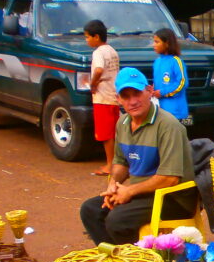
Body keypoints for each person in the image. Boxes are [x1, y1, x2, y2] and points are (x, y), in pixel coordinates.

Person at [80, 67, 197, 245]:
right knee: (90, 210)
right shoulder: (123, 122)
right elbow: (121, 162)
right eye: (126, 96)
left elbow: (170, 179)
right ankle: (118, 260)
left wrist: (129, 191)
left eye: (137, 93)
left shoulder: (168, 125)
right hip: (141, 194)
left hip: (173, 198)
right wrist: (113, 184)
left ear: (149, 91)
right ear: (118, 100)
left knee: (117, 220)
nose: (133, 101)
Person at [84, 20, 120, 176]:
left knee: (106, 135)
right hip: (114, 96)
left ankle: (110, 165)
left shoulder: (98, 52)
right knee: (114, 132)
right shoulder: (112, 51)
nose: (87, 40)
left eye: (87, 37)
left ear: (96, 37)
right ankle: (116, 162)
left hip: (102, 98)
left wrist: (93, 84)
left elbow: (98, 70)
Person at [151, 28, 189, 121]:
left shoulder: (176, 61)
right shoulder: (157, 62)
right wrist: (152, 89)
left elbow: (182, 83)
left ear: (167, 43)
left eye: (157, 42)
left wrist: (162, 92)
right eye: (154, 42)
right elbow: (159, 82)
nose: (153, 45)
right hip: (160, 110)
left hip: (174, 112)